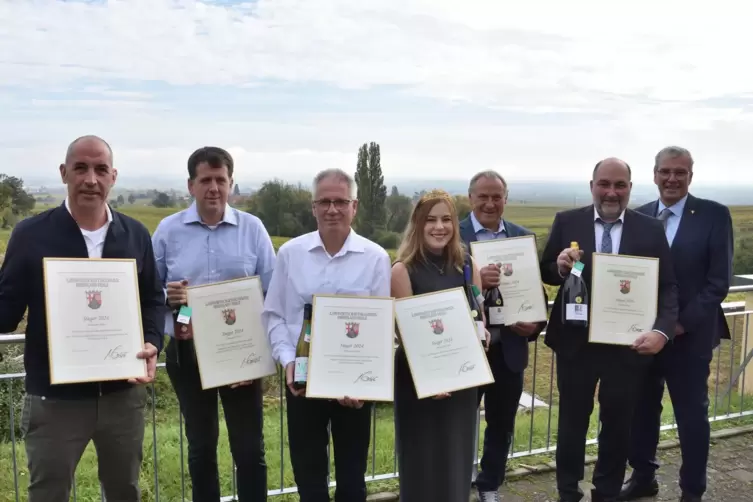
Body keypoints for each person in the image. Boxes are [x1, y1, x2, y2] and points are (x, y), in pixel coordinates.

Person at [0, 135, 163, 502]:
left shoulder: (135, 234)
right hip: (54, 398)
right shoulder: (31, 235)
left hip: (123, 394)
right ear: (64, 174)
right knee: (48, 493)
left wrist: (153, 340)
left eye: (101, 169)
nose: (91, 179)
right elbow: (6, 311)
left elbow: (153, 298)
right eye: (81, 168)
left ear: (113, 177)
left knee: (125, 491)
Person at [539, 157, 679, 502]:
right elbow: (543, 271)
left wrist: (661, 332)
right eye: (604, 184)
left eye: (620, 185)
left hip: (625, 346)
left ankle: (606, 493)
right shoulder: (566, 221)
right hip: (575, 345)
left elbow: (668, 287)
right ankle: (567, 492)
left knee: (617, 428)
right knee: (572, 424)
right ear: (592, 186)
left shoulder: (650, 229)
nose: (611, 192)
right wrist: (557, 267)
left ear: (630, 188)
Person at [152, 146, 276, 502]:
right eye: (205, 180)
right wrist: (167, 295)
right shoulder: (167, 230)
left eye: (221, 180)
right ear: (191, 185)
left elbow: (273, 290)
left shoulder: (252, 229)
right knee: (201, 447)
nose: (213, 188)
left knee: (250, 449)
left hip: (242, 354)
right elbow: (148, 291)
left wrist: (258, 350)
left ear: (231, 184)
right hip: (187, 351)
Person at [262, 168, 391, 502]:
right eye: (324, 202)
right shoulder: (290, 253)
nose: (332, 209)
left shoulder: (376, 258)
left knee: (352, 480)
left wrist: (369, 384)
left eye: (340, 201)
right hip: (302, 381)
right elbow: (274, 314)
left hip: (354, 385)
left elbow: (382, 327)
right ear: (313, 207)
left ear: (354, 206)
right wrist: (288, 360)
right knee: (309, 478)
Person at [620, 147, 734, 502]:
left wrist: (676, 326)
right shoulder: (637, 215)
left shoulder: (714, 215)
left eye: (680, 173)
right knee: (642, 411)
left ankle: (692, 490)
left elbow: (718, 282)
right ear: (654, 175)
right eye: (665, 172)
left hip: (690, 336)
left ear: (690, 177)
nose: (672, 179)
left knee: (691, 417)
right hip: (643, 335)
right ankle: (643, 477)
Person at [390, 189, 490, 502]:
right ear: (417, 225)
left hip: (460, 384)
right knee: (422, 462)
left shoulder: (468, 266)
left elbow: (478, 316)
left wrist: (482, 336)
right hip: (419, 385)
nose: (439, 227)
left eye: (446, 219)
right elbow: (406, 333)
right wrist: (432, 378)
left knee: (456, 460)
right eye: (431, 220)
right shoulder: (402, 270)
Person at [460, 171, 548, 502]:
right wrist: (476, 282)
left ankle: (489, 485)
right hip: (468, 348)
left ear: (505, 199)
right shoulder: (452, 234)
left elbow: (534, 291)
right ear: (470, 198)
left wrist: (535, 325)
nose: (490, 203)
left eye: (497, 196)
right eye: (483, 196)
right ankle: (457, 479)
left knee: (501, 424)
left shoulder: (522, 238)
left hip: (508, 349)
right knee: (461, 421)